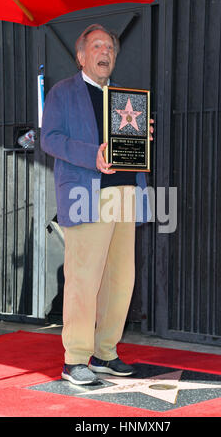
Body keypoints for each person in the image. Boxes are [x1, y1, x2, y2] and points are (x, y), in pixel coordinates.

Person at [41, 24, 154, 385]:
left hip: (125, 195)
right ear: (81, 56)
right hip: (86, 195)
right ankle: (74, 359)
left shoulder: (125, 98)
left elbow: (131, 146)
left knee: (120, 280)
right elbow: (50, 139)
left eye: (110, 48)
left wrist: (141, 136)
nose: (105, 52)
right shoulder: (62, 93)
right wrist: (94, 155)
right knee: (84, 280)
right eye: (97, 46)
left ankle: (105, 353)